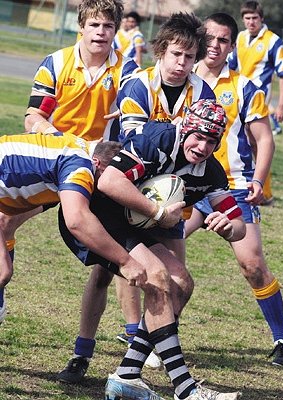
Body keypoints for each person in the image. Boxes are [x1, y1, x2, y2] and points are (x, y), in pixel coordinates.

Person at [60, 11, 218, 381]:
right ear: (160, 51)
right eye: (176, 54)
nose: (182, 64)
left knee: (178, 281)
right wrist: (178, 131)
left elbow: (196, 139)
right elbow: (139, 144)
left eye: (190, 57)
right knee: (104, 273)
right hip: (125, 188)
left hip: (168, 192)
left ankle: (136, 355)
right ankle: (83, 353)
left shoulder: (203, 91)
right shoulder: (137, 85)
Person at [59, 99, 245, 400]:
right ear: (185, 129)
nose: (202, 147)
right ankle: (186, 390)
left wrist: (227, 225)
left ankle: (127, 374)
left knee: (182, 284)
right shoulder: (155, 142)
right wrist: (158, 214)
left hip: (132, 225)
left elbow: (240, 227)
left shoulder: (210, 172)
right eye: (198, 136)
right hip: (97, 218)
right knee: (156, 277)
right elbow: (108, 181)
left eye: (212, 141)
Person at [0, 0, 148, 379]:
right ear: (80, 27)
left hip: (98, 170)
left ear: (117, 30)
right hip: (57, 164)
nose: (101, 32)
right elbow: (34, 115)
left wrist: (128, 126)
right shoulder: (57, 62)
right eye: (95, 24)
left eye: (108, 26)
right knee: (4, 221)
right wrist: (56, 138)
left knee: (111, 254)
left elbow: (135, 118)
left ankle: (131, 342)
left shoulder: (126, 69)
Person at [187, 12, 283, 368]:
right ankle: (148, 334)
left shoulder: (245, 87)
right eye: (210, 38)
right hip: (186, 187)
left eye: (223, 40)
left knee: (252, 265)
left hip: (232, 188)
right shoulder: (181, 80)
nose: (215, 46)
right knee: (160, 255)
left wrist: (257, 180)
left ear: (231, 46)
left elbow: (264, 140)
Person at [0, 133, 149, 294]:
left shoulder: (79, 147)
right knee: (3, 271)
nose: (109, 190)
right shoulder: (80, 167)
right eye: (110, 178)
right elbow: (77, 221)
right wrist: (125, 261)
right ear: (97, 163)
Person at [228, 0, 283, 205]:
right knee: (239, 141)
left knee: (258, 145)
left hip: (258, 101)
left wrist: (281, 103)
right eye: (247, 18)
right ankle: (240, 185)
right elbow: (232, 66)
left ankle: (264, 191)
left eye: (254, 18)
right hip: (237, 96)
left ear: (261, 18)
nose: (251, 22)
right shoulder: (240, 37)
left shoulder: (274, 41)